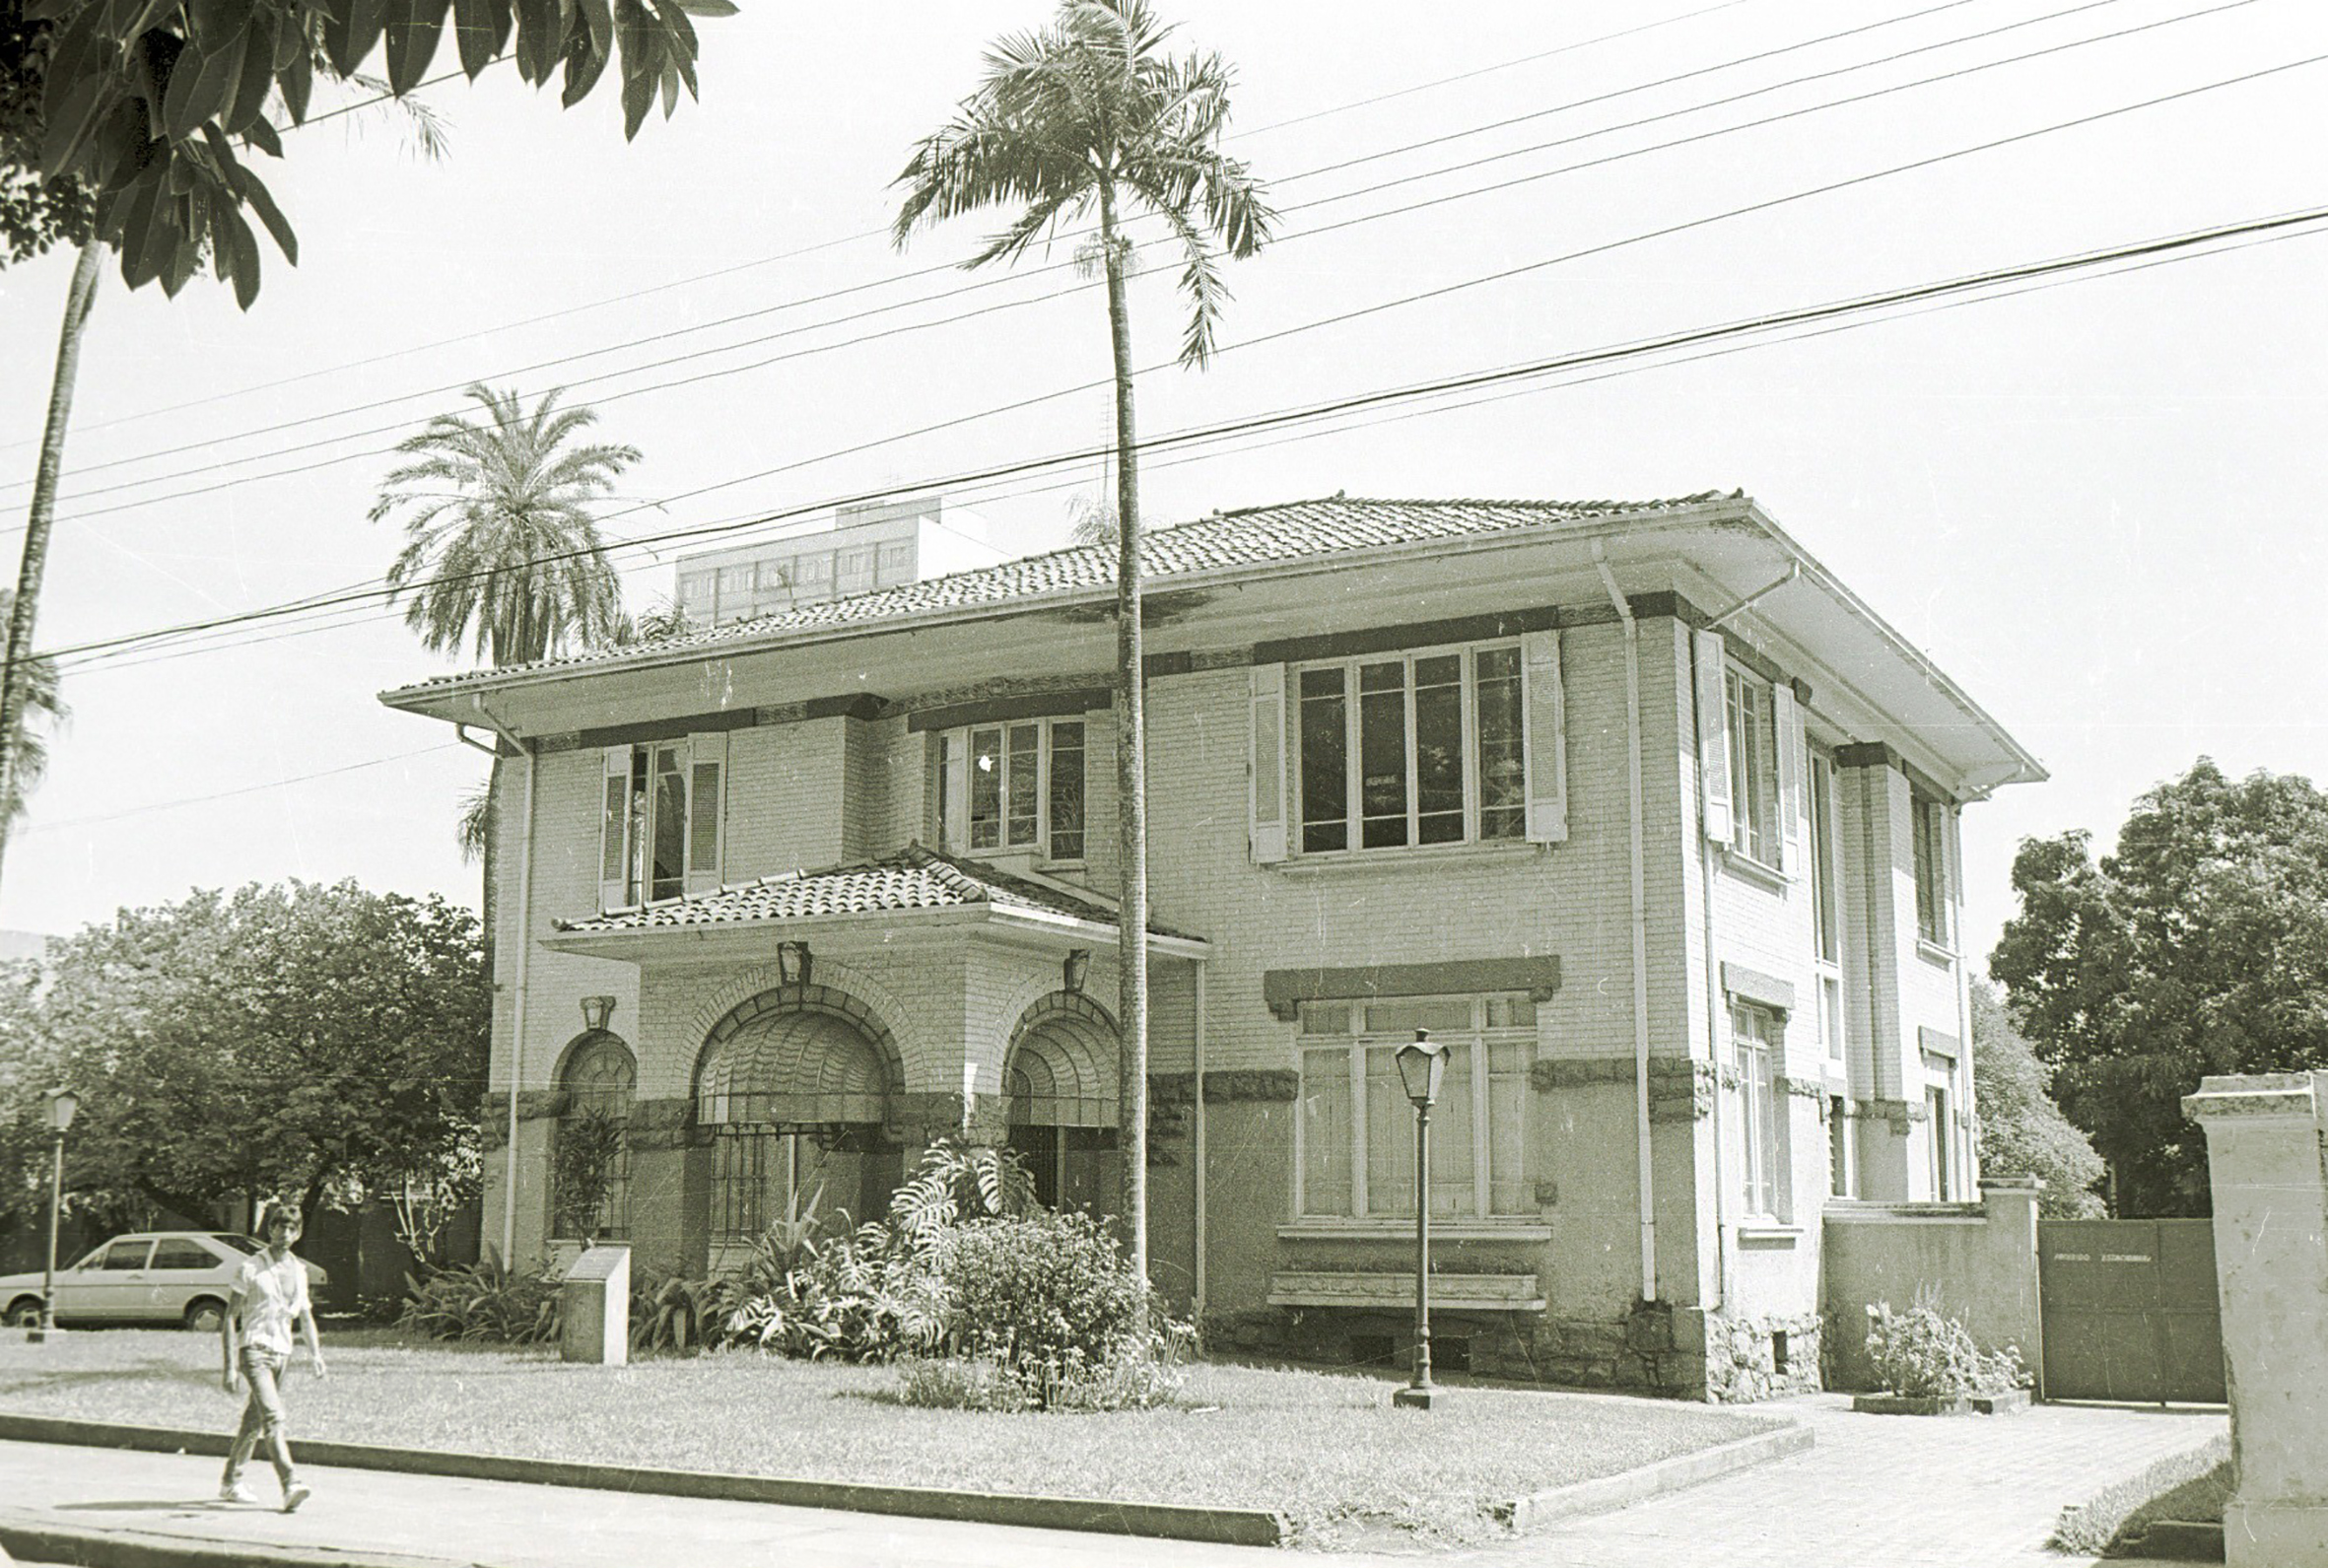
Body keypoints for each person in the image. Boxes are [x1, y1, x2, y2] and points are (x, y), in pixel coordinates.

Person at [219, 1202, 324, 1511]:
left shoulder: (300, 1271)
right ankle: (290, 1482)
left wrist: (316, 1354)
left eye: (292, 1228)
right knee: (274, 1416)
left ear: (298, 1232)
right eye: (279, 1226)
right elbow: (229, 1318)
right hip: (254, 1350)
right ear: (270, 1229)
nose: (285, 1233)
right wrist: (229, 1367)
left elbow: (305, 1316)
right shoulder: (250, 1267)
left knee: (254, 1420)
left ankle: (230, 1481)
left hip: (282, 1353)